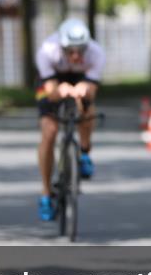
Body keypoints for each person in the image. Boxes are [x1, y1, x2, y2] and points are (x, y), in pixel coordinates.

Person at [34, 19, 105, 221]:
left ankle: (84, 152)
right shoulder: (47, 51)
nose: (75, 55)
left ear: (87, 47)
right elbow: (51, 92)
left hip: (80, 78)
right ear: (61, 46)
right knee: (50, 131)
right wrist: (60, 91)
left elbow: (91, 88)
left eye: (80, 50)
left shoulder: (96, 53)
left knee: (87, 106)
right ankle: (46, 193)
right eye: (70, 51)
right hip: (53, 80)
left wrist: (83, 92)